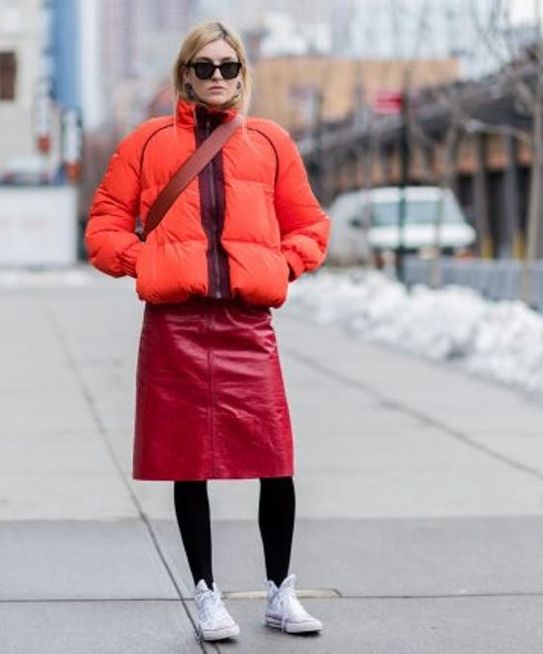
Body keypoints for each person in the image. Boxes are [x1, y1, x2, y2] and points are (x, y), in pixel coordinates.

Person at [85, 20, 330, 642]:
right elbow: (104, 227)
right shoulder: (146, 143)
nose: (218, 77)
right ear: (184, 74)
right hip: (176, 325)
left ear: (243, 74)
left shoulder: (271, 143)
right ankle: (207, 595)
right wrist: (147, 262)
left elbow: (310, 225)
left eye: (229, 67)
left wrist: (282, 263)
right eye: (205, 67)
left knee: (275, 464)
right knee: (186, 464)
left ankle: (280, 593)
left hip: (248, 326)